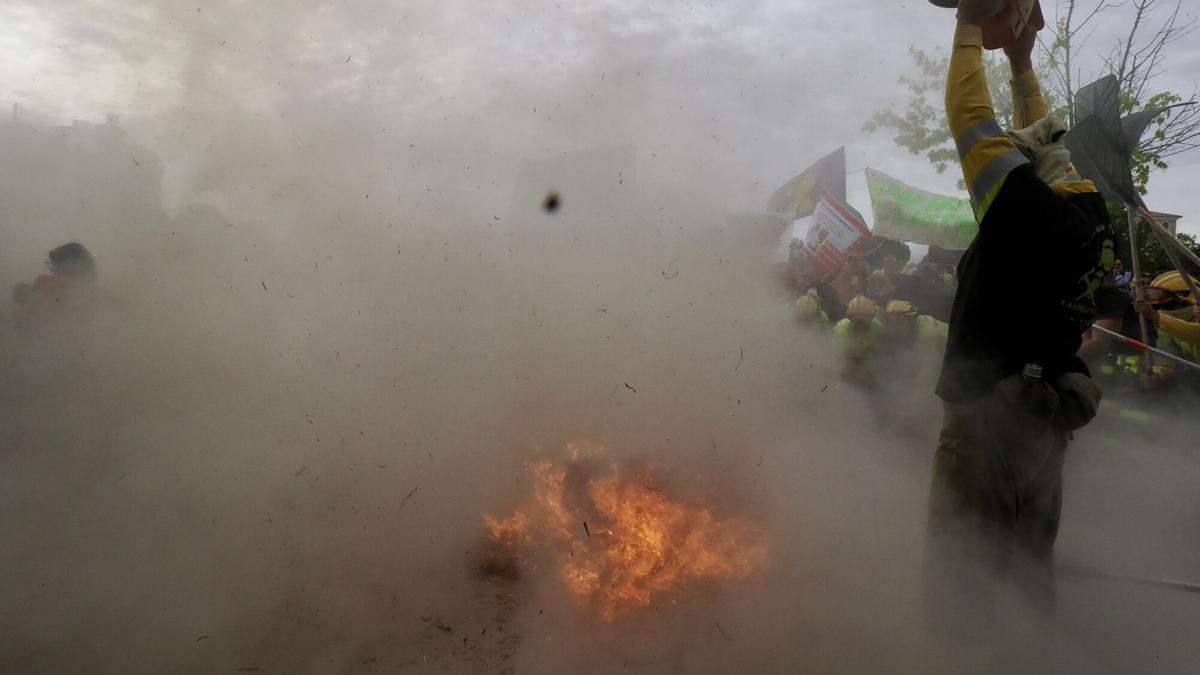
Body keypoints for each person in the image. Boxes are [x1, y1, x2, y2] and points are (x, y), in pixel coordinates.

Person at [926, 0, 1113, 632]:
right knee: (1029, 575)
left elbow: (969, 119)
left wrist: (970, 27)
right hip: (1043, 424)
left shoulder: (1022, 214)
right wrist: (1023, 61)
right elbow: (1051, 141)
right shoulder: (1090, 219)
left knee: (963, 581)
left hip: (988, 423)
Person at [13, 242, 98, 334]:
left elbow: (22, 326)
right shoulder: (99, 297)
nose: (52, 270)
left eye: (54, 265)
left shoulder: (45, 283)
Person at [1133, 271, 1200, 348]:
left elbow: (1195, 333)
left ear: (1183, 299)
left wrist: (1154, 316)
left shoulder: (1196, 317)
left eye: (1167, 305)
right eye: (1159, 306)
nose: (1161, 309)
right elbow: (1166, 351)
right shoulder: (1164, 328)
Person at [832, 295, 883, 386]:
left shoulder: (877, 328)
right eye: (856, 319)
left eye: (864, 319)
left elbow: (875, 353)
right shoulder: (843, 329)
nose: (860, 323)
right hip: (844, 361)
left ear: (871, 318)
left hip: (864, 360)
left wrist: (863, 370)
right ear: (849, 318)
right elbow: (839, 358)